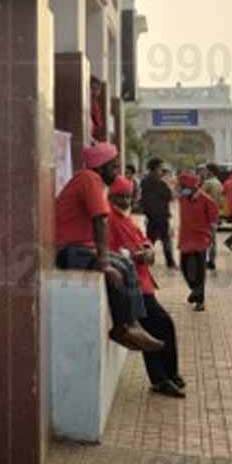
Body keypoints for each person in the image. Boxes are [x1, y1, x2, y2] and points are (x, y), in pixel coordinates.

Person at [54, 142, 163, 352]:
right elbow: (100, 220)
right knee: (118, 268)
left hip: (79, 248)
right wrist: (103, 262)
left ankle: (130, 324)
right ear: (100, 167)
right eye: (113, 167)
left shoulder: (90, 180)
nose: (117, 171)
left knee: (125, 263)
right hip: (67, 250)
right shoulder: (90, 178)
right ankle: (124, 327)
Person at [107, 176, 186, 398]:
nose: (124, 200)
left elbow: (144, 239)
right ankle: (161, 378)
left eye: (127, 196)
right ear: (110, 196)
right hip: (133, 286)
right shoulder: (109, 219)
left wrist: (148, 249)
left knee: (160, 327)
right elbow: (111, 252)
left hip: (143, 282)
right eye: (119, 196)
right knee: (157, 327)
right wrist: (135, 255)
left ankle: (169, 374)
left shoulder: (126, 218)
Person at [177, 172, 219, 312]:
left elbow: (213, 221)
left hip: (201, 238)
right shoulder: (183, 198)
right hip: (185, 238)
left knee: (200, 270)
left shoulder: (206, 200)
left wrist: (212, 237)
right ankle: (195, 289)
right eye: (181, 186)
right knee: (184, 267)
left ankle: (200, 300)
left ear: (193, 187)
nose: (181, 189)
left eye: (183, 186)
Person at [140, 157, 177, 269]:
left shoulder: (145, 181)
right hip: (161, 215)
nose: (162, 170)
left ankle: (147, 261)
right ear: (156, 168)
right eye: (161, 168)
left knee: (149, 240)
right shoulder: (160, 182)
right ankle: (170, 262)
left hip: (150, 215)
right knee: (166, 239)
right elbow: (170, 196)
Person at [200, 163, 224, 270]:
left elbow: (198, 197)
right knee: (213, 240)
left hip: (205, 215)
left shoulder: (208, 183)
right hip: (215, 214)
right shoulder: (218, 183)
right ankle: (212, 261)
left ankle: (203, 260)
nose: (203, 173)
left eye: (205, 170)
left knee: (203, 239)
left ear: (211, 172)